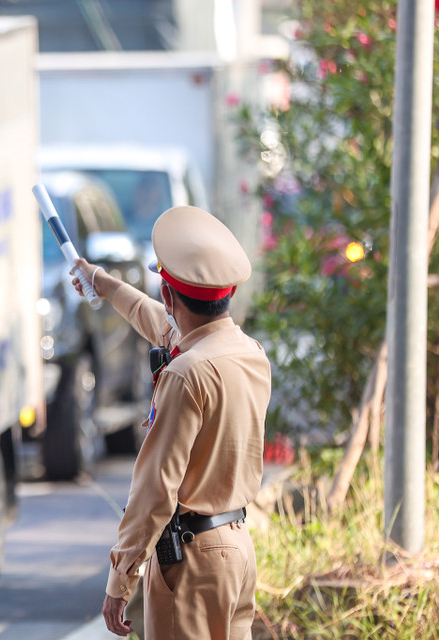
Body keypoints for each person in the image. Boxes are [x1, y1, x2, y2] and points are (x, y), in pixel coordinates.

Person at [72, 205, 272, 639]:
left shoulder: (186, 374)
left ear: (168, 296)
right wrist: (104, 283)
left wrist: (120, 579)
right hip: (236, 550)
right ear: (229, 294)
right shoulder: (247, 352)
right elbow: (159, 323)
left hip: (191, 561)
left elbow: (155, 488)